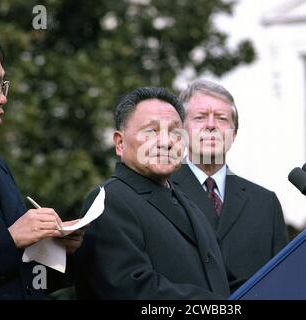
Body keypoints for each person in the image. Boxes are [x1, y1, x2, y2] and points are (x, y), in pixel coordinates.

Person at [75, 87, 230, 299]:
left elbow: (221, 281)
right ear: (120, 143)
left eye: (176, 132)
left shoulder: (188, 202)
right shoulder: (108, 201)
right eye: (151, 131)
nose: (166, 142)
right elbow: (132, 291)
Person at [0, 33, 84, 299]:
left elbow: (17, 268)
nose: (2, 98)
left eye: (3, 85)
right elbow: (8, 242)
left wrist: (56, 248)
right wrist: (9, 237)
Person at [171, 79, 288, 290]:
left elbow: (282, 281)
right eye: (200, 117)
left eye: (222, 118)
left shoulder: (265, 203)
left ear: (233, 134)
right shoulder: (161, 192)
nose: (211, 125)